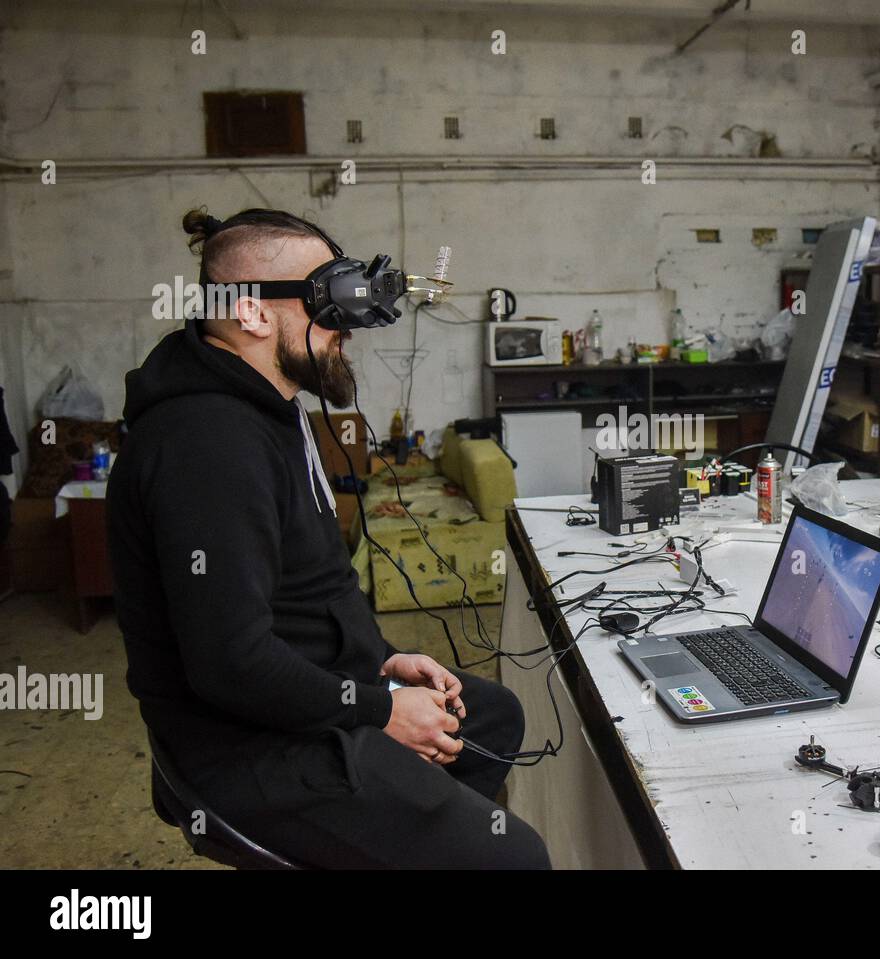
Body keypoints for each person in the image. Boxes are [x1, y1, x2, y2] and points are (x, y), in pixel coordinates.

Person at [107, 208, 549, 869]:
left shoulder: (270, 408)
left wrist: (381, 662)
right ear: (253, 313)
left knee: (488, 720)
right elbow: (230, 664)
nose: (345, 330)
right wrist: (380, 712)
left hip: (297, 698)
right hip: (241, 749)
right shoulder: (207, 444)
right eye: (327, 301)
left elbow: (308, 593)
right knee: (517, 858)